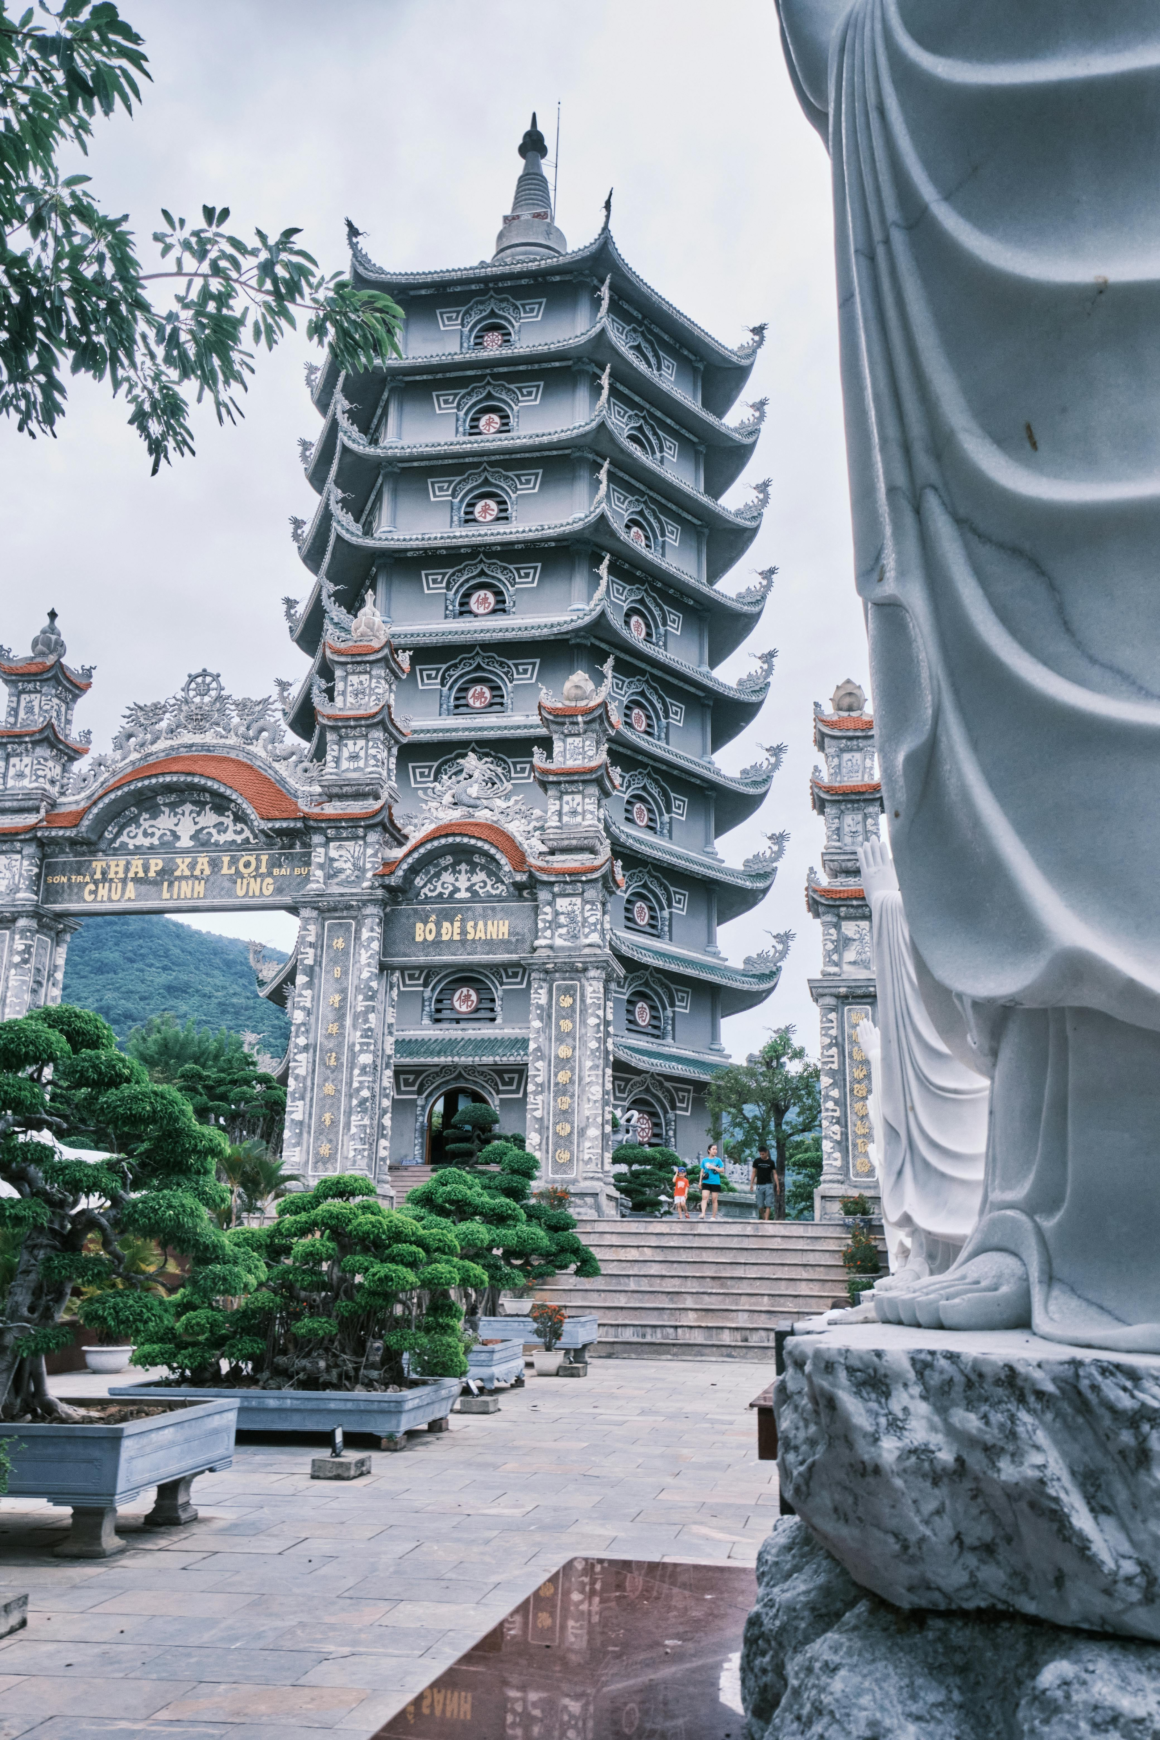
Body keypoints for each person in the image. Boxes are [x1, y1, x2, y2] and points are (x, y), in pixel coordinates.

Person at [750, 1147, 776, 1222]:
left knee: (768, 1204)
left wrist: (777, 1184)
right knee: (760, 1206)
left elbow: (774, 1174)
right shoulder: (757, 1161)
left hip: (769, 1184)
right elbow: (754, 1172)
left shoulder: (771, 1162)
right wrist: (751, 1184)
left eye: (763, 1154)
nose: (762, 1155)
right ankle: (764, 1218)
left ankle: (766, 1221)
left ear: (767, 1152)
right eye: (760, 1154)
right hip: (759, 1185)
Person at [699, 1144, 723, 1219]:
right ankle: (703, 1213)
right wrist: (700, 1181)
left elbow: (722, 1170)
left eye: (716, 1149)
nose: (715, 1150)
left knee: (714, 1199)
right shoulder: (704, 1160)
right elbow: (702, 1171)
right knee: (704, 1197)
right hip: (706, 1181)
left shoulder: (718, 1160)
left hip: (715, 1182)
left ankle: (713, 1216)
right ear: (709, 1150)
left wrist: (714, 1167)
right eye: (713, 1149)